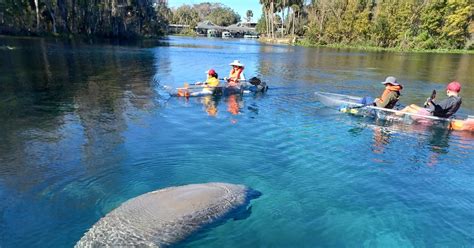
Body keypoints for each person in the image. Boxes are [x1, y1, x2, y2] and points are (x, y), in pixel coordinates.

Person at [397, 81, 462, 118]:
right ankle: (397, 115)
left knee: (408, 108)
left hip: (431, 117)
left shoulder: (450, 100)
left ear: (448, 90)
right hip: (437, 115)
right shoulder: (458, 99)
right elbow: (438, 109)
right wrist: (431, 102)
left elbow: (434, 110)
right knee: (412, 105)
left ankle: (392, 116)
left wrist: (430, 103)